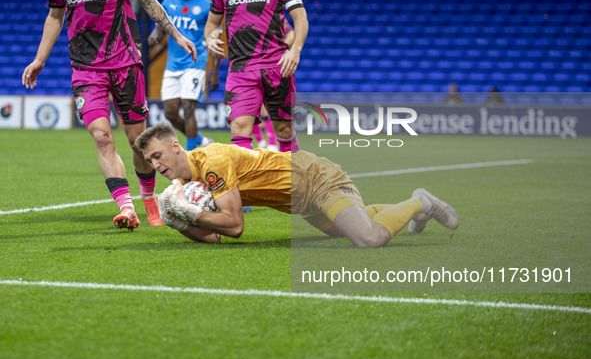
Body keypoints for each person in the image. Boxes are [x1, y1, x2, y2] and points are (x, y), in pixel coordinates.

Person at [22, 0, 197, 230]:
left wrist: (177, 35)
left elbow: (147, 1)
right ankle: (126, 207)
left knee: (138, 141)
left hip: (125, 64)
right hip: (86, 69)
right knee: (102, 138)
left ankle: (148, 198)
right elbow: (55, 16)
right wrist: (39, 59)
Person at [134, 124, 460, 247]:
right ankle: (411, 212)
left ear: (176, 147)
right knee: (345, 229)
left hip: (314, 178)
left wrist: (190, 211)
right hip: (300, 202)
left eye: (158, 155)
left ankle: (420, 201)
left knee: (368, 238)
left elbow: (234, 227)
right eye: (150, 161)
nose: (156, 165)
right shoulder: (183, 183)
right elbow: (214, 237)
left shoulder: (212, 163)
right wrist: (180, 222)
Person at [203, 0, 309, 152]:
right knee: (239, 128)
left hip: (277, 68)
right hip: (240, 71)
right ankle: (248, 176)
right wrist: (210, 39)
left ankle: (293, 172)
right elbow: (212, 24)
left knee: (284, 130)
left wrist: (295, 50)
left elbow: (300, 16)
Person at [148, 0, 221, 151]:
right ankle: (202, 141)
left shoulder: (207, 5)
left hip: (195, 63)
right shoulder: (169, 2)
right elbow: (159, 27)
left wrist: (214, 71)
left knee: (188, 108)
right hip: (172, 65)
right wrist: (155, 36)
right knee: (170, 112)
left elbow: (217, 38)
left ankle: (191, 155)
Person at [252, 18, 295, 151]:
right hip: (248, 65)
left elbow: (291, 34)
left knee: (269, 107)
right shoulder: (242, 12)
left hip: (271, 65)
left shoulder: (275, 14)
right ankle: (261, 142)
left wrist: (278, 49)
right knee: (251, 108)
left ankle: (271, 143)